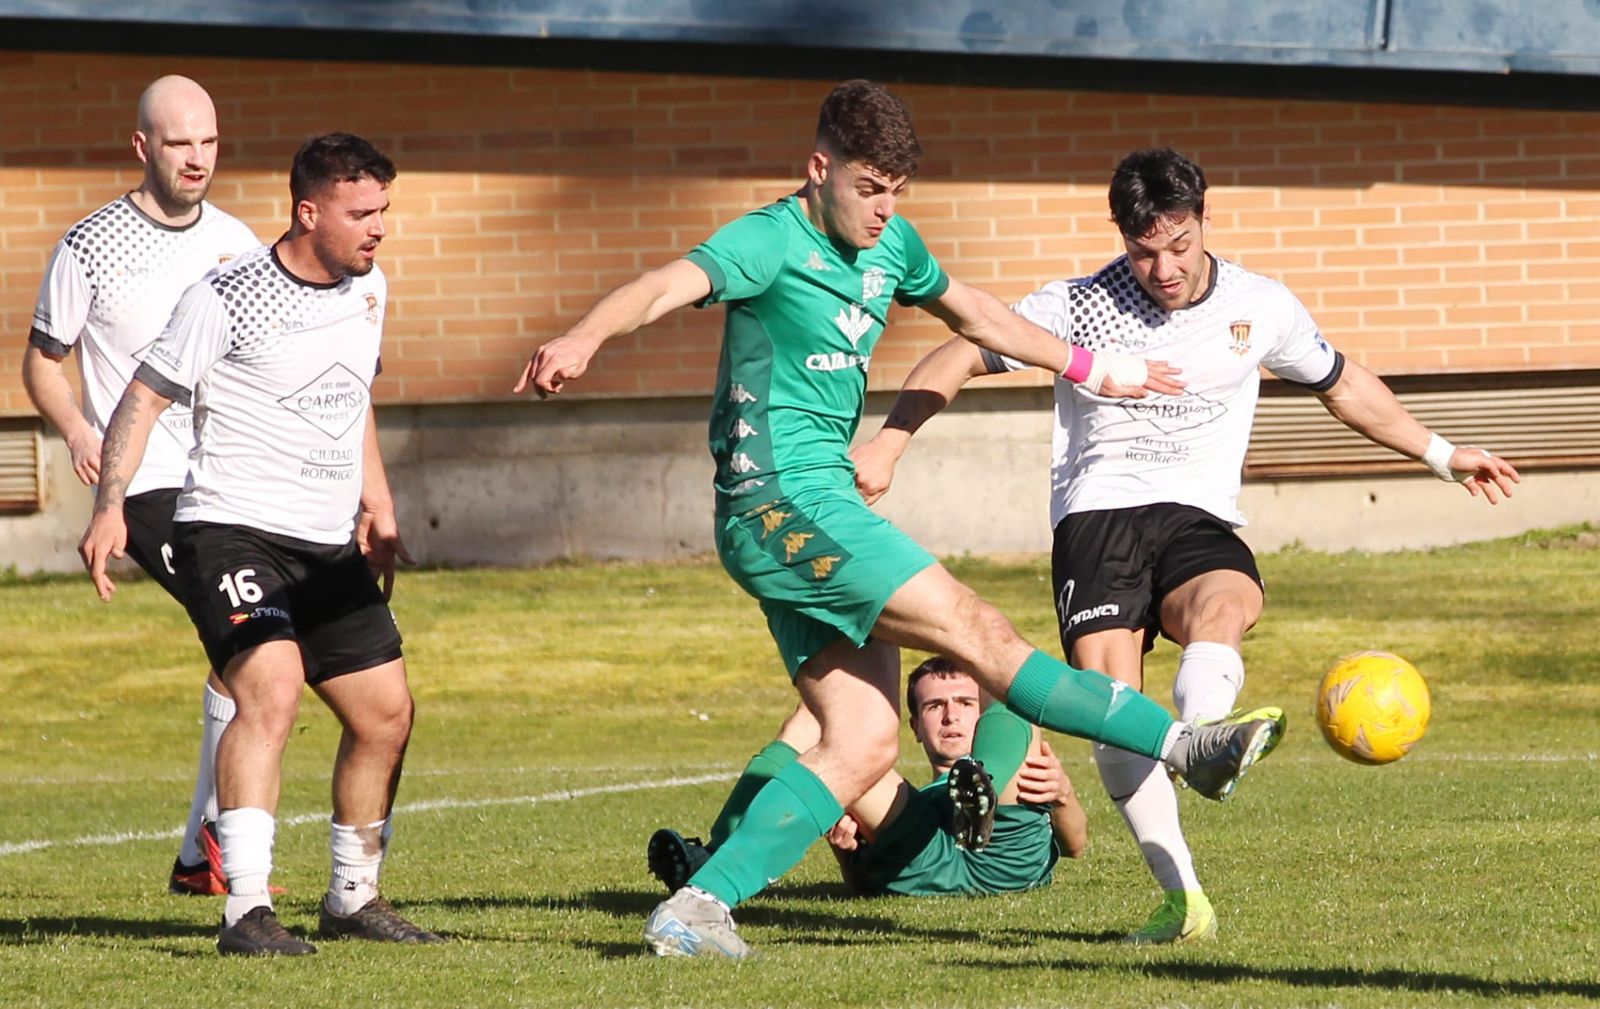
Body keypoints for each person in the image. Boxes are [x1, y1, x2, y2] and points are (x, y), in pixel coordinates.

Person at [515, 81, 1283, 960]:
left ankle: (695, 905)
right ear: (820, 168)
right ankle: (1190, 744)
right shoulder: (771, 239)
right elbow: (663, 284)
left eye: (896, 192)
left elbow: (975, 315)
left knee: (866, 736)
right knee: (980, 630)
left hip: (813, 509)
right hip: (781, 501)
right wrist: (583, 337)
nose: (883, 210)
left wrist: (1089, 366)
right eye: (868, 188)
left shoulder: (893, 246)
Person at [851, 146, 1523, 944]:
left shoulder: (1260, 305)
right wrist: (889, 444)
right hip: (1098, 515)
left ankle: (1203, 732)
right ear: (1121, 237)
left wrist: (1443, 454)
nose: (1163, 268)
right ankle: (1184, 898)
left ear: (1204, 220)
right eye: (1143, 251)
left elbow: (1342, 384)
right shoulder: (1077, 303)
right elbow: (961, 348)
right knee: (1111, 711)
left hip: (1196, 510)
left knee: (1229, 602)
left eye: (1178, 246)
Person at [78, 132, 442, 957]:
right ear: (308, 212)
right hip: (232, 530)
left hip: (326, 546)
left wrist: (377, 506)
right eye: (361, 213)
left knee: (386, 715)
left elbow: (355, 397)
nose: (378, 227)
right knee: (270, 689)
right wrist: (110, 506)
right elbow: (144, 397)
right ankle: (245, 907)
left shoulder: (369, 286)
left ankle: (353, 897)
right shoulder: (228, 295)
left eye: (384, 210)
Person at [22, 74, 260, 897]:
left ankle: (203, 853)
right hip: (150, 483)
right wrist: (83, 432)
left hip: (230, 477)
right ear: (142, 146)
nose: (197, 159)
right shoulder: (90, 245)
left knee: (248, 642)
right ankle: (213, 848)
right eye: (178, 143)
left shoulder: (238, 241)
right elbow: (42, 362)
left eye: (209, 142)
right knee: (245, 633)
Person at [650, 656, 1087, 900]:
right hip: (923, 854)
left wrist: (1063, 795)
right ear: (914, 726)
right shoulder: (903, 795)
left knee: (1013, 689)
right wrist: (848, 853)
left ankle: (979, 789)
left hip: (1001, 852)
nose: (952, 715)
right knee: (825, 721)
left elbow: (1075, 846)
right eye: (935, 706)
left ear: (980, 711)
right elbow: (863, 889)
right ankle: (711, 857)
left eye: (964, 703)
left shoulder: (1018, 749)